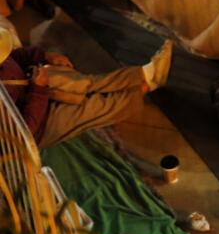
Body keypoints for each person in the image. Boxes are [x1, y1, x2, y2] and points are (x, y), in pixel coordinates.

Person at [0, 28, 174, 148]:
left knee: (87, 83)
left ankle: (147, 74)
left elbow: (14, 55)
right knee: (92, 108)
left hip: (32, 83)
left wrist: (45, 55)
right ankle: (143, 87)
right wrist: (38, 90)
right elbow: (23, 130)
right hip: (38, 123)